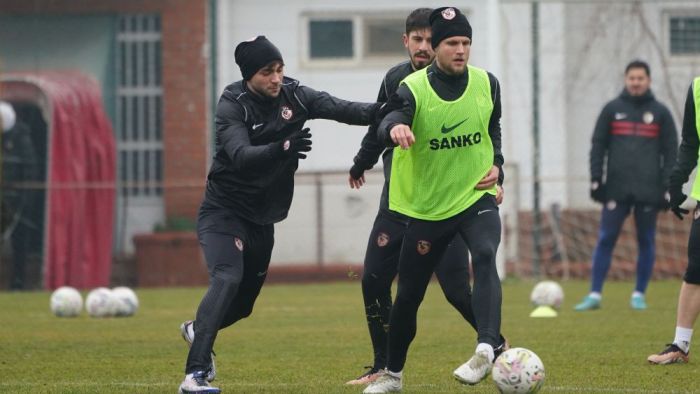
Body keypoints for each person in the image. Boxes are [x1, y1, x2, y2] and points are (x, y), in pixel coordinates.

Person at [177, 36, 382, 394]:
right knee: (226, 278)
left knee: (242, 307)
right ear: (248, 75)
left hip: (263, 219)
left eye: (280, 69)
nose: (276, 78)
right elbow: (240, 154)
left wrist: (391, 109)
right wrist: (283, 146)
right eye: (267, 72)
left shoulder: (295, 94)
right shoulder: (232, 105)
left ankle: (198, 329)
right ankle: (194, 376)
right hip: (224, 211)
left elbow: (345, 109)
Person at [346, 7, 507, 387]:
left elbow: (491, 127)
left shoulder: (488, 83)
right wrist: (394, 129)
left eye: (466, 42)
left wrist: (499, 166)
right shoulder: (408, 86)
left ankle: (488, 346)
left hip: (472, 198)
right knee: (407, 295)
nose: (461, 50)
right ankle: (391, 372)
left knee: (484, 256)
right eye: (452, 43)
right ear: (435, 47)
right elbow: (385, 120)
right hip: (421, 205)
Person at [575, 60, 678, 312]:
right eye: (631, 78)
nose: (635, 82)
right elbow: (598, 146)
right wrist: (596, 178)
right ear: (625, 79)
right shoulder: (611, 109)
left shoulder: (661, 113)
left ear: (648, 80)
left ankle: (638, 294)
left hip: (648, 190)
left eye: (640, 78)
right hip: (616, 189)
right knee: (606, 238)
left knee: (647, 240)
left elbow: (671, 152)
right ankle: (595, 294)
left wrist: (668, 186)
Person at [647, 76, 700, 364]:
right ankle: (680, 346)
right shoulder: (697, 88)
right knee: (696, 269)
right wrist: (676, 182)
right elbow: (691, 142)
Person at [0, 101, 38, 290]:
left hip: (17, 204)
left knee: (19, 245)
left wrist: (25, 200)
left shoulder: (21, 138)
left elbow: (30, 171)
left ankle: (18, 282)